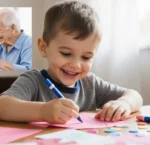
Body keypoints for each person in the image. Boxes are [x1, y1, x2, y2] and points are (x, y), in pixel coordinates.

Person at [0, 1, 143, 124]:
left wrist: (125, 103)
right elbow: (2, 105)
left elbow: (134, 95)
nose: (76, 64)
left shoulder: (91, 84)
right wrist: (43, 111)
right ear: (43, 48)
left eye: (86, 57)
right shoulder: (33, 80)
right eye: (66, 54)